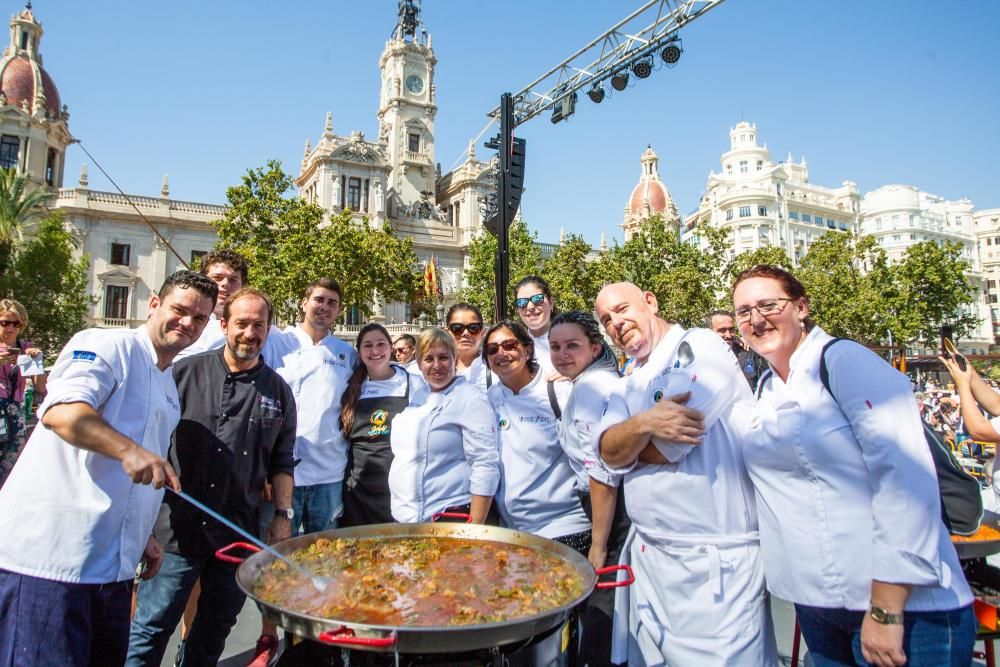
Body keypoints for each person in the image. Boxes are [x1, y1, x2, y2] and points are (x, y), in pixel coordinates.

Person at [733, 264, 974, 667]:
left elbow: (905, 479)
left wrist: (886, 607)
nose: (756, 320)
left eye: (768, 305)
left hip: (907, 612)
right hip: (819, 607)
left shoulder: (844, 361)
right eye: (744, 311)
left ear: (801, 307)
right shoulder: (766, 388)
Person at [0, 270, 217, 666]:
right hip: (52, 566)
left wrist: (143, 535)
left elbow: (134, 474)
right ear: (154, 305)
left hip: (113, 571)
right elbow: (63, 412)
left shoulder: (169, 384)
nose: (187, 323)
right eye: (180, 310)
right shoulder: (106, 343)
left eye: (200, 318)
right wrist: (129, 451)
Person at [595, 281, 776, 666]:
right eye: (607, 320)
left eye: (622, 310)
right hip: (653, 563)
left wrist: (628, 443)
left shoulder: (699, 346)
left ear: (650, 301)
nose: (616, 323)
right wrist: (645, 422)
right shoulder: (629, 379)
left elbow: (672, 445)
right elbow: (606, 454)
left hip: (714, 570)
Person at [126, 288, 296, 667]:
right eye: (242, 323)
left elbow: (282, 462)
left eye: (259, 325)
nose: (250, 333)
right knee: (151, 628)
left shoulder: (279, 391)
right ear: (223, 324)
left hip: (238, 533)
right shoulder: (182, 373)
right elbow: (148, 444)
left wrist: (283, 517)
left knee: (214, 629)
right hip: (176, 532)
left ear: (269, 330)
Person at [252, 277, 355, 665]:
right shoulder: (276, 341)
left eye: (332, 302)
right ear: (303, 302)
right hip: (281, 478)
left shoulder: (347, 353)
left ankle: (315, 638)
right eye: (319, 300)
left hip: (329, 476)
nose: (324, 307)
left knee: (322, 564)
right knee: (275, 562)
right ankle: (267, 638)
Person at [485, 319, 591, 664]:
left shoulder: (559, 393)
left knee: (562, 636)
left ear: (528, 349)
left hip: (564, 532)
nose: (502, 353)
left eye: (510, 345)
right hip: (514, 538)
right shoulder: (488, 400)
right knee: (525, 636)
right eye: (492, 349)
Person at [549, 311, 631, 667]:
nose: (562, 354)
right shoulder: (595, 381)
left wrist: (598, 545)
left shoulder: (591, 389)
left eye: (572, 346)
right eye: (555, 347)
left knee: (602, 618)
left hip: (609, 512)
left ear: (595, 347)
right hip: (607, 507)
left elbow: (601, 474)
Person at [389, 327, 499, 523]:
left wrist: (473, 527)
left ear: (455, 360)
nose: (437, 365)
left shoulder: (471, 399)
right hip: (405, 517)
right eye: (429, 359)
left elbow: (485, 464)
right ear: (420, 364)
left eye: (444, 358)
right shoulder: (419, 395)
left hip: (448, 516)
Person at [340, 323, 421, 526]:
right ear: (359, 352)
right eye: (367, 345)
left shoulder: (414, 383)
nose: (374, 351)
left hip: (401, 489)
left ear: (390, 347)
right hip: (358, 491)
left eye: (380, 344)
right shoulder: (349, 386)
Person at [174, 249, 247, 360]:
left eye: (233, 280)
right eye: (217, 278)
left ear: (242, 285)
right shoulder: (179, 323)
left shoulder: (255, 331)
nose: (225, 284)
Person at [0, 298, 42, 487]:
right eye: (5, 322)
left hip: (15, 410)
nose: (10, 328)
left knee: (15, 456)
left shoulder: (25, 348)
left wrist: (37, 361)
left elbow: (40, 387)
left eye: (16, 324)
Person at [708, 308, 765, 390]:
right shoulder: (702, 358)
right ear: (710, 332)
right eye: (722, 330)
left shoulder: (747, 350)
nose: (729, 335)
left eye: (731, 329)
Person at [514, 275, 557, 376]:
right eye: (522, 302)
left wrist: (575, 374)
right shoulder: (512, 345)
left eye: (537, 299)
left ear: (551, 303)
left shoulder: (573, 338)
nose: (530, 307)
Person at [446, 302, 491, 390]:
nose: (466, 333)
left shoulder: (496, 369)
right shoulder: (432, 369)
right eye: (457, 328)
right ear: (447, 333)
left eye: (473, 328)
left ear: (483, 332)